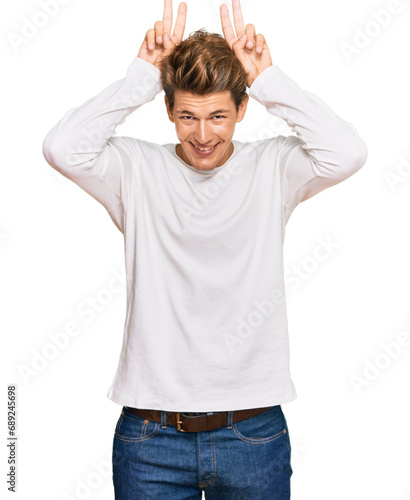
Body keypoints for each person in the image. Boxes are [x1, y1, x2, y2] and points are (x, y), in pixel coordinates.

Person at [42, 0, 368, 498]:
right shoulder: (133, 169)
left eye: (218, 115)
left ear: (242, 109)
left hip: (253, 433)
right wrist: (140, 78)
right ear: (169, 109)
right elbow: (62, 147)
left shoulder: (274, 168)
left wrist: (268, 81)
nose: (202, 135)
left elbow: (347, 153)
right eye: (188, 116)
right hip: (149, 437)